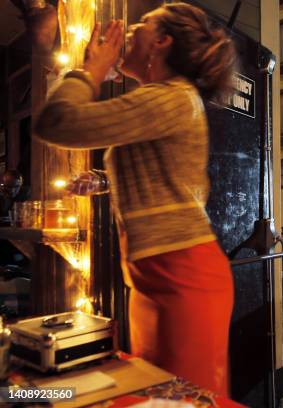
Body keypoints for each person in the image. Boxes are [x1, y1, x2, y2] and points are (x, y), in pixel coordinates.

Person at [34, 3, 237, 396]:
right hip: (154, 273)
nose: (126, 30)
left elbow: (56, 121)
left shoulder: (172, 98)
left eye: (140, 25)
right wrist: (103, 181)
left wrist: (91, 70)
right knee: (156, 395)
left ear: (161, 42)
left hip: (183, 275)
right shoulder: (160, 99)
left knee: (180, 401)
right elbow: (167, 170)